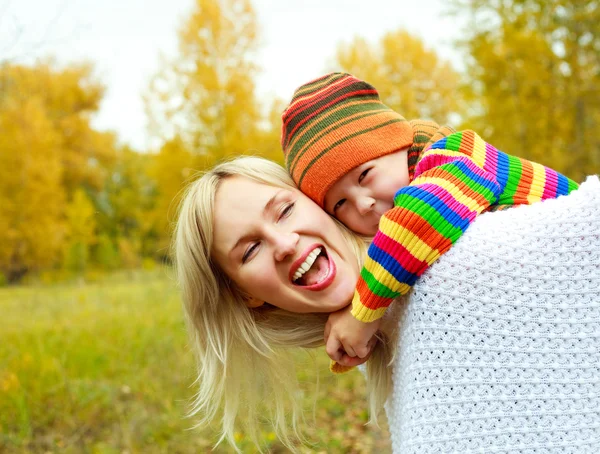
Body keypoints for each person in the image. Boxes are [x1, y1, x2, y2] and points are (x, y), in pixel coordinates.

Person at [173, 154, 600, 453]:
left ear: (316, 203)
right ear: (245, 294)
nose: (284, 244)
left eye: (284, 211)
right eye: (249, 251)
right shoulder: (386, 325)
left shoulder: (447, 269)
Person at [280, 72, 579, 365]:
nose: (363, 204)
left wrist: (363, 311)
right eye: (340, 203)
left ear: (397, 144)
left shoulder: (453, 155)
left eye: (365, 175)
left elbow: (419, 219)